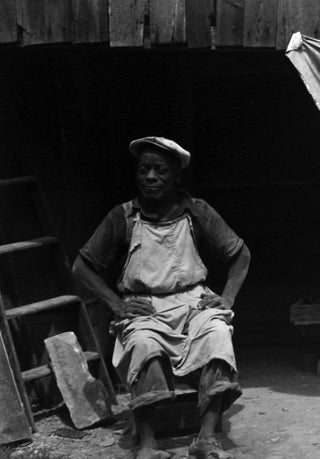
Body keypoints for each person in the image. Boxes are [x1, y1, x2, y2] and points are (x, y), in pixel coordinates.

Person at [72, 137, 250, 459]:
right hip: (146, 306)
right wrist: (118, 305)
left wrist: (228, 298)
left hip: (193, 302)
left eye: (160, 170)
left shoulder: (198, 212)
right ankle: (147, 445)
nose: (150, 177)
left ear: (176, 176)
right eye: (144, 170)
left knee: (218, 335)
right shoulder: (122, 218)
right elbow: (81, 268)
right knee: (143, 345)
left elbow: (241, 255)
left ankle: (206, 438)